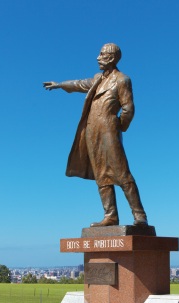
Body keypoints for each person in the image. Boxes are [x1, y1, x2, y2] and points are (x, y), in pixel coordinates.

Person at [43, 43, 148, 227]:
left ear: (112, 57)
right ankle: (110, 215)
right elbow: (79, 84)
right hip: (92, 132)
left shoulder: (122, 80)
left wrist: (117, 126)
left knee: (122, 174)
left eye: (101, 55)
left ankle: (139, 216)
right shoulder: (98, 78)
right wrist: (60, 85)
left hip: (109, 130)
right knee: (101, 175)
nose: (98, 58)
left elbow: (128, 108)